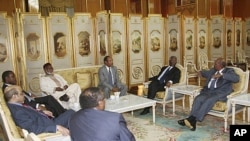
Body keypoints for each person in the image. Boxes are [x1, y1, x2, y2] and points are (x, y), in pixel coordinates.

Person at [177, 58, 239, 131]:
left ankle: (193, 119)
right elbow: (205, 73)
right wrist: (200, 72)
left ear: (221, 65)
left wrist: (222, 75)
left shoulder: (229, 71)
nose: (214, 65)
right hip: (208, 91)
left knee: (209, 100)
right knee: (198, 98)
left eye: (215, 63)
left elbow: (236, 79)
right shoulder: (213, 70)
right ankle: (192, 120)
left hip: (220, 92)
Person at [69, 87, 135, 141]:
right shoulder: (114, 118)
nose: (105, 100)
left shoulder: (73, 118)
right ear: (100, 103)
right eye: (104, 99)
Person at [4, 85, 75, 135]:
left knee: (70, 113)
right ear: (14, 96)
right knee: (72, 113)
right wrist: (56, 127)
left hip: (46, 120)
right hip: (49, 126)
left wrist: (42, 112)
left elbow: (29, 114)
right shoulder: (18, 112)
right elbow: (32, 129)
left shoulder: (14, 105)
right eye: (21, 94)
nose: (23, 95)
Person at [2, 70, 66, 118]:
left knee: (49, 98)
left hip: (31, 99)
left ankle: (63, 113)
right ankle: (63, 115)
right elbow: (22, 101)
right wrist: (37, 105)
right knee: (50, 104)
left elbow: (24, 93)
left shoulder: (12, 85)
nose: (15, 78)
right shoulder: (8, 89)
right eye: (12, 77)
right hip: (29, 102)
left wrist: (30, 94)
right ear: (7, 78)